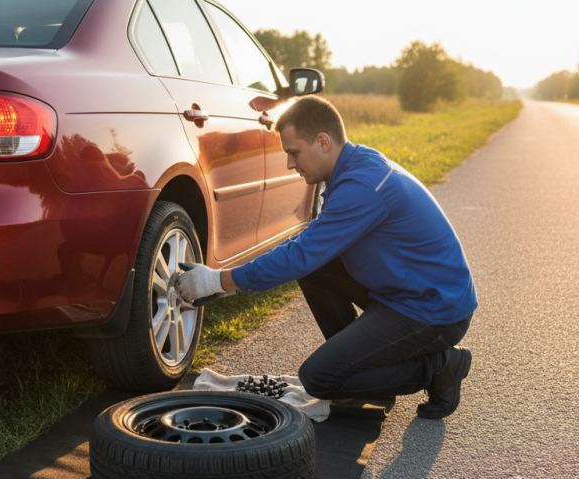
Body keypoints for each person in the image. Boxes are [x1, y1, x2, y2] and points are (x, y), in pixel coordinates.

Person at [175, 96, 477, 419]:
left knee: (318, 378)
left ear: (323, 142)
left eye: (294, 153)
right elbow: (304, 251)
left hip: (435, 310)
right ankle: (362, 370)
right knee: (315, 269)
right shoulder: (351, 167)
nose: (290, 164)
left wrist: (215, 280)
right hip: (407, 292)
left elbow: (300, 255)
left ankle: (441, 366)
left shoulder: (360, 185)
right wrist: (226, 283)